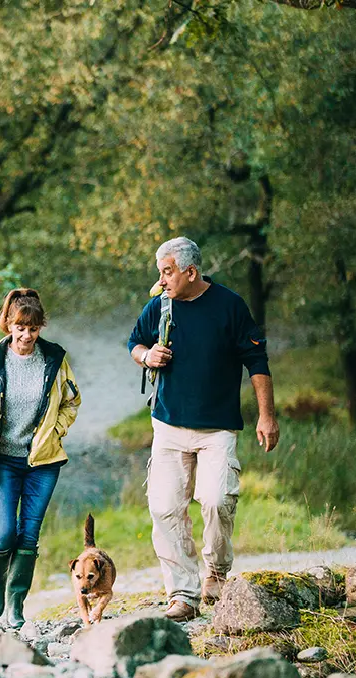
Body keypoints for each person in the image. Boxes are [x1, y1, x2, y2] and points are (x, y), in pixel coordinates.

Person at [128, 237, 280, 623]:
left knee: (216, 500)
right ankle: (182, 593)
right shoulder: (159, 306)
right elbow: (134, 342)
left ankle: (215, 571)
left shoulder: (229, 307)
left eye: (167, 272)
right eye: (160, 273)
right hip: (167, 425)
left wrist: (266, 416)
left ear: (190, 272)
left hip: (217, 429)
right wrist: (148, 355)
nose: (161, 281)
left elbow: (257, 361)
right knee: (164, 508)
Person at [0, 288, 81, 630]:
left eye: (33, 329)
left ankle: (16, 601)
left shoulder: (55, 360)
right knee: (6, 531)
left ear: (40, 328)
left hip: (43, 462)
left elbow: (71, 402)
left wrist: (57, 431)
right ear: (8, 325)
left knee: (28, 535)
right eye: (20, 328)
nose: (26, 336)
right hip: (4, 461)